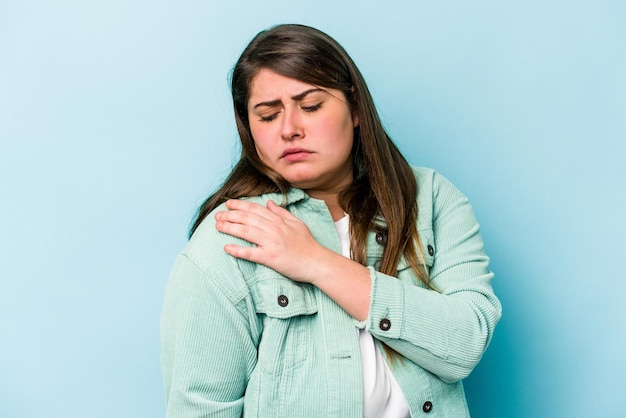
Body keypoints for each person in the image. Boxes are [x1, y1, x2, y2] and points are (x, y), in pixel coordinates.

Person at [160, 23, 502, 418]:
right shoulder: (231, 235)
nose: (290, 129)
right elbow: (200, 409)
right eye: (268, 115)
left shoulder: (432, 200)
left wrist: (317, 262)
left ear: (355, 109)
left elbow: (466, 342)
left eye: (310, 106)